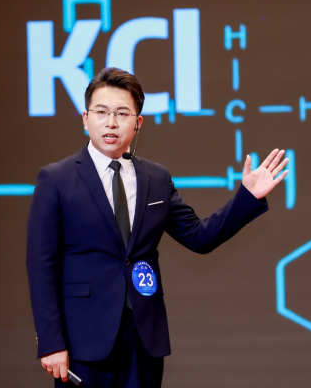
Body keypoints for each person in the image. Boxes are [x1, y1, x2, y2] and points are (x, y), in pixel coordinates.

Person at [26, 67, 289, 387]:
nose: (111, 122)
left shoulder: (156, 177)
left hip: (143, 337)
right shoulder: (56, 179)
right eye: (101, 112)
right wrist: (51, 342)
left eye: (122, 113)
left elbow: (199, 237)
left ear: (138, 123)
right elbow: (41, 265)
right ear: (85, 118)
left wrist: (247, 197)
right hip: (84, 340)